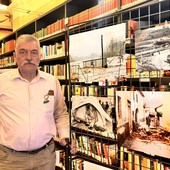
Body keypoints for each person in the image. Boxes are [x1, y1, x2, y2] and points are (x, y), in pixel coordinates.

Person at [0, 34, 77, 170]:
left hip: (45, 158)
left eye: (34, 52)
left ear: (40, 56)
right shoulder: (2, 82)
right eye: (23, 52)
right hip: (10, 160)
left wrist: (64, 135)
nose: (29, 57)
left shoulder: (52, 82)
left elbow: (60, 113)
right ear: (15, 55)